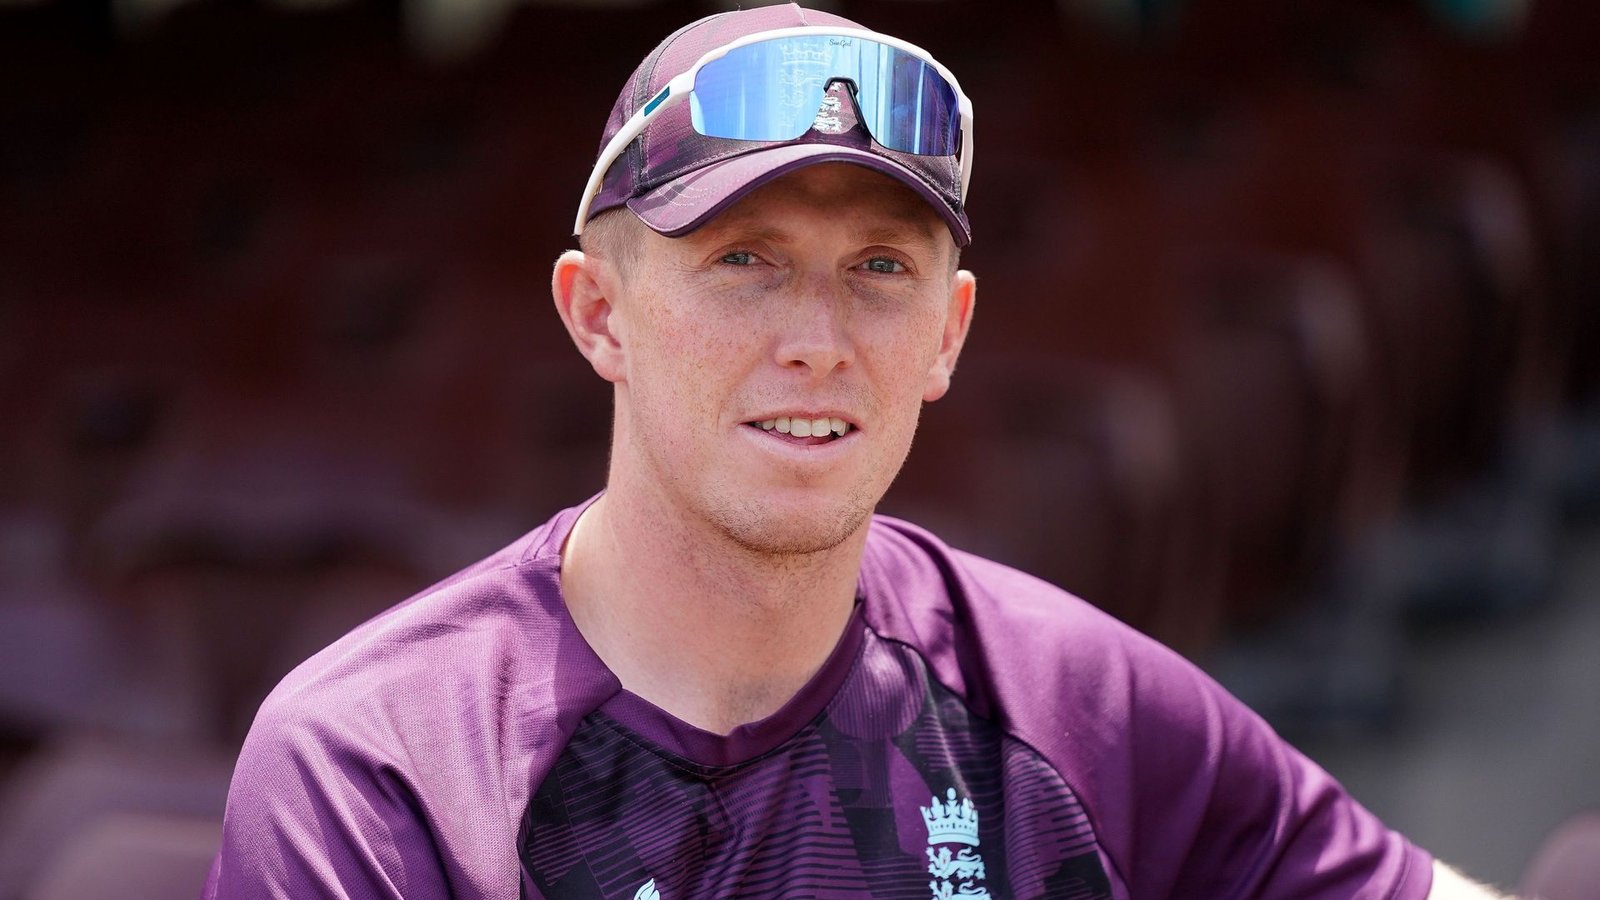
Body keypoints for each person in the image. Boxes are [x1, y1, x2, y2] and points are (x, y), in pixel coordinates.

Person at [203, 4, 1513, 897]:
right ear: (598, 314)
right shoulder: (384, 765)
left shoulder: (1069, 703)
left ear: (948, 334)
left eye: (880, 268)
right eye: (743, 262)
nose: (819, 342)